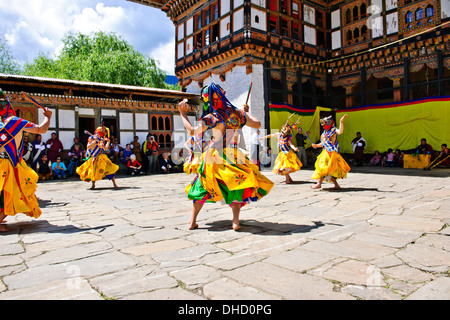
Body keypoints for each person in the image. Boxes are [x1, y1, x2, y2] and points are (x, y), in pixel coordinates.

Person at [178, 82, 274, 231]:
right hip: (234, 154)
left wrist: (183, 114)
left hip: (213, 155)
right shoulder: (238, 114)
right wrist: (246, 112)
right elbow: (257, 124)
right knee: (235, 185)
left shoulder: (212, 117)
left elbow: (192, 131)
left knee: (202, 185)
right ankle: (235, 222)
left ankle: (192, 221)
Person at [0, 89, 52, 231]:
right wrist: (48, 117)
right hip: (8, 164)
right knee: (15, 191)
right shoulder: (15, 122)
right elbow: (41, 129)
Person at [311, 115, 350, 190]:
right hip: (325, 152)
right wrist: (316, 145)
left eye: (326, 123)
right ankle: (334, 185)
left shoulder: (334, 130)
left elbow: (340, 131)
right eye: (323, 123)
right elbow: (322, 144)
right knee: (324, 168)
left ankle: (319, 183)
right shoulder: (323, 134)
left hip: (332, 153)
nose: (324, 125)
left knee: (326, 168)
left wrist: (341, 122)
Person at [76, 125, 119, 190]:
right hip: (95, 157)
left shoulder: (102, 139)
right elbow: (88, 147)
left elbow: (105, 148)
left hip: (102, 157)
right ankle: (93, 185)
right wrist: (95, 142)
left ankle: (115, 184)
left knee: (110, 169)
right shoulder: (91, 138)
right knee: (93, 171)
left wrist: (108, 142)